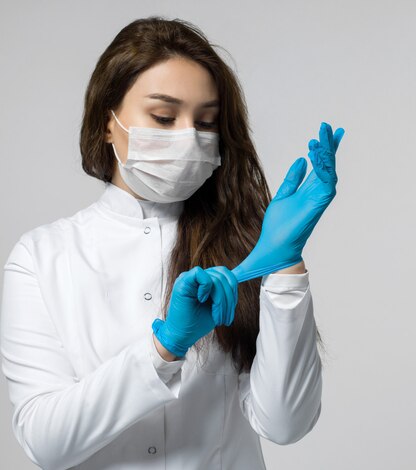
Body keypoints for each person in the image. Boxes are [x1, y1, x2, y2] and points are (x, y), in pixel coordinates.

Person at [0, 16, 344, 469]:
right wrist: (165, 349)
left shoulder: (243, 248)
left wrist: (284, 268)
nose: (188, 137)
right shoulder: (41, 258)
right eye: (163, 117)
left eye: (205, 122)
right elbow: (46, 443)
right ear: (108, 123)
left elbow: (285, 423)